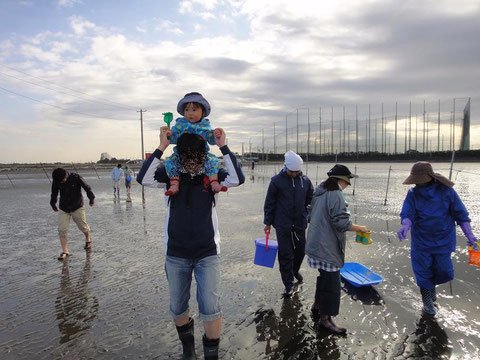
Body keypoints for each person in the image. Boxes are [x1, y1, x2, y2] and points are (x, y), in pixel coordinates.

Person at [136, 127, 244, 360]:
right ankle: (188, 348)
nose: (193, 164)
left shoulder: (211, 174)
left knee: (210, 307)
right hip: (176, 253)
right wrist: (162, 146)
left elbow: (237, 178)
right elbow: (143, 179)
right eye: (188, 158)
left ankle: (211, 356)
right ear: (181, 157)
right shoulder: (170, 175)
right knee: (177, 308)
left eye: (197, 158)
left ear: (204, 156)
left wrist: (223, 146)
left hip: (207, 253)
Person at [397, 161, 478, 316]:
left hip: (443, 239)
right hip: (421, 240)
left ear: (429, 177)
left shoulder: (447, 192)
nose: (418, 184)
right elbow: (408, 213)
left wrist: (470, 234)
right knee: (422, 271)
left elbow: (461, 214)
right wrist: (405, 226)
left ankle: (430, 286)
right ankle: (427, 301)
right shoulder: (413, 194)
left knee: (445, 271)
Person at [305, 164, 370, 334]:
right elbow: (341, 222)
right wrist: (360, 228)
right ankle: (326, 319)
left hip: (314, 244)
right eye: (348, 182)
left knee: (325, 276)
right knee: (333, 282)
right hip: (326, 247)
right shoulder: (336, 194)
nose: (348, 185)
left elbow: (310, 215)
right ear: (342, 180)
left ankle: (317, 305)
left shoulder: (320, 191)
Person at [263, 150, 314, 297]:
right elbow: (270, 203)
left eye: (297, 171)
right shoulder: (276, 181)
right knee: (285, 254)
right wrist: (267, 222)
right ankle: (288, 284)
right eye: (292, 171)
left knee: (301, 250)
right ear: (286, 167)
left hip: (299, 223)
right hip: (282, 223)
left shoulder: (305, 180)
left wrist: (309, 215)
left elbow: (310, 200)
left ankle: (294, 270)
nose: (295, 174)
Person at [164, 92, 227, 196]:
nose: (190, 113)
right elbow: (174, 139)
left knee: (212, 161)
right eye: (187, 110)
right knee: (170, 162)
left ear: (203, 112)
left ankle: (214, 183)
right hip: (182, 155)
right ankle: (174, 183)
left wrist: (216, 135)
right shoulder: (180, 125)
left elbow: (212, 141)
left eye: (194, 110)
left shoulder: (205, 125)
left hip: (201, 156)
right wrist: (168, 134)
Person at [50, 168, 95, 260]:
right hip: (64, 207)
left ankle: (88, 239)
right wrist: (53, 203)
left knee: (83, 226)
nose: (61, 182)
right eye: (59, 181)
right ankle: (65, 251)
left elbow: (87, 187)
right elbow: (54, 193)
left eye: (62, 180)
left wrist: (91, 198)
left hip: (77, 206)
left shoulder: (76, 177)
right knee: (62, 229)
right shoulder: (56, 180)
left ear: (65, 175)